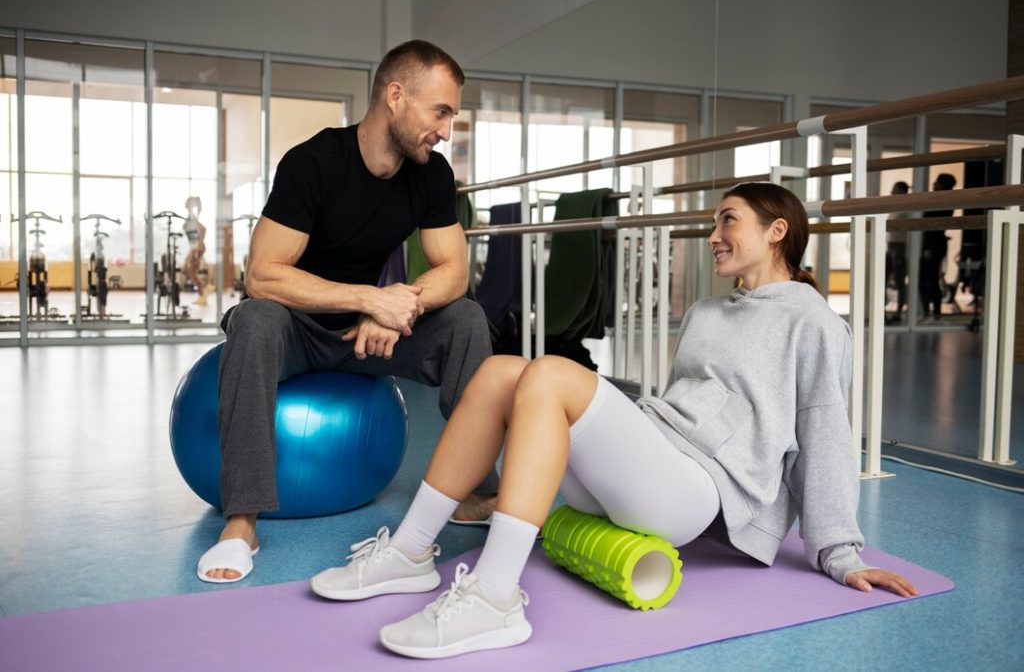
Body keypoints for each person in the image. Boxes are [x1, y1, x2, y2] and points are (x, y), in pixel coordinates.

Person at [308, 182, 919, 659]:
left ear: (777, 230)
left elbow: (825, 431)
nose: (713, 235)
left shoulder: (812, 321)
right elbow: (678, 407)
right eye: (713, 223)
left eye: (727, 220)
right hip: (655, 460)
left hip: (698, 490)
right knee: (498, 372)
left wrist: (840, 552)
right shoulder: (709, 311)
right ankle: (411, 554)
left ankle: (494, 597)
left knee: (547, 373)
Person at [197, 40, 495, 583]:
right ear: (396, 96)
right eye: (441, 112)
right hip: (298, 330)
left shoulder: (430, 173)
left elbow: (453, 270)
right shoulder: (313, 163)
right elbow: (263, 273)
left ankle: (468, 491)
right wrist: (367, 298)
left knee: (467, 320)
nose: (447, 130)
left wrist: (395, 308)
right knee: (255, 317)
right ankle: (241, 519)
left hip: (370, 337)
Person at [919, 173, 956, 320]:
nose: (933, 184)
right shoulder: (942, 201)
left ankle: (934, 312)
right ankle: (930, 311)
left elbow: (935, 226)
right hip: (932, 245)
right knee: (927, 279)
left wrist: (929, 248)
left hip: (933, 246)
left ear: (941, 185)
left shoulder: (944, 202)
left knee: (930, 280)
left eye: (936, 182)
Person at [885, 181, 909, 323]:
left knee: (900, 282)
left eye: (894, 189)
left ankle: (899, 312)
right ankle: (882, 311)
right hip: (890, 247)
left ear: (901, 191)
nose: (891, 191)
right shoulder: (894, 208)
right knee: (884, 279)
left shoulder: (905, 209)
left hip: (899, 248)